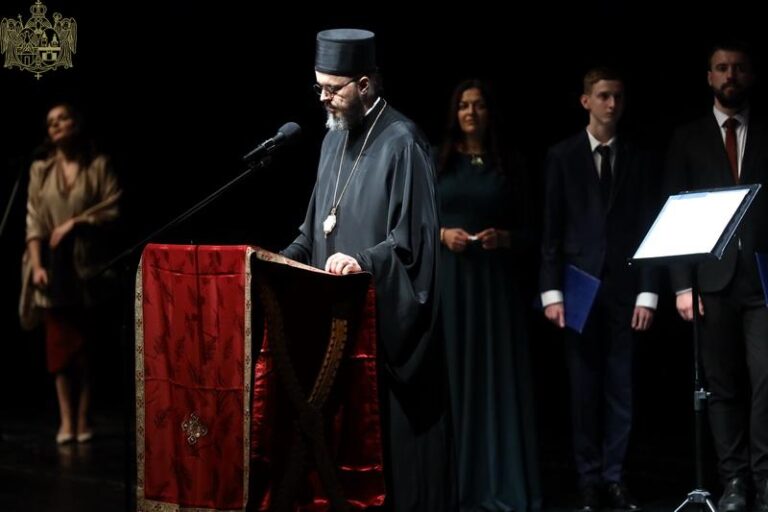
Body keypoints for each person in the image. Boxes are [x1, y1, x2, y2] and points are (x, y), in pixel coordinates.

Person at [280, 28, 456, 510]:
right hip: (338, 334)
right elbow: (314, 232)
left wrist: (363, 261)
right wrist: (278, 260)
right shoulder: (331, 141)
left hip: (383, 340)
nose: (323, 98)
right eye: (318, 86)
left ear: (364, 84)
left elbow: (415, 249)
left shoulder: (404, 143)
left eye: (332, 88)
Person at [539, 68, 657, 511]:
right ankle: (588, 479)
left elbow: (649, 227)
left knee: (621, 388)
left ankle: (615, 478)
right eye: (604, 95)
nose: (612, 104)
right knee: (583, 390)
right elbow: (551, 228)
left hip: (625, 288)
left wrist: (648, 292)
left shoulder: (638, 157)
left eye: (618, 96)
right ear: (586, 101)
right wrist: (551, 293)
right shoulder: (562, 156)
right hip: (579, 286)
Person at [664, 41, 768, 512]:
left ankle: (765, 478)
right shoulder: (687, 138)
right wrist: (682, 285)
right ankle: (734, 483)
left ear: (750, 75)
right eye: (722, 68)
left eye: (739, 68)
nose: (731, 75)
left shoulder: (766, 131)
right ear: (709, 76)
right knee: (721, 386)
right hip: (711, 280)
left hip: (762, 279)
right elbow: (674, 210)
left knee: (765, 380)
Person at [436, 79, 540, 511]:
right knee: (457, 377)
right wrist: (443, 234)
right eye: (464, 105)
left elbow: (534, 231)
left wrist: (507, 238)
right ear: (455, 112)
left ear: (489, 112)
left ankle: (502, 482)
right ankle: (457, 485)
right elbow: (414, 220)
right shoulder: (438, 160)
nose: (471, 112)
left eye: (478, 105)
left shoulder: (509, 163)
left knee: (497, 378)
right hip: (453, 285)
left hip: (496, 288)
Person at [19, 103, 121, 444]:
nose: (56, 124)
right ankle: (65, 418)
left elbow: (112, 207)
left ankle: (83, 417)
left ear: (77, 123)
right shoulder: (40, 170)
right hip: (53, 264)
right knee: (58, 347)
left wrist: (75, 222)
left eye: (62, 118)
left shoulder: (98, 165)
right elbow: (34, 220)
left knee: (86, 347)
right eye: (50, 121)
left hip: (88, 265)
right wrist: (37, 265)